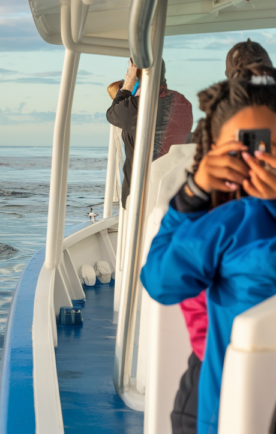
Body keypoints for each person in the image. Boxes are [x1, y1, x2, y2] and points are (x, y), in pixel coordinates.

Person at [141, 64, 276, 434]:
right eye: (244, 146)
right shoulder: (223, 222)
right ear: (215, 151)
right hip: (225, 392)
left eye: (271, 146)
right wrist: (191, 196)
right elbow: (161, 281)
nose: (259, 158)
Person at [107, 59, 193, 208]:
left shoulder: (139, 105)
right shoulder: (182, 101)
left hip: (142, 193)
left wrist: (128, 84)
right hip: (175, 189)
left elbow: (112, 114)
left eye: (130, 70)